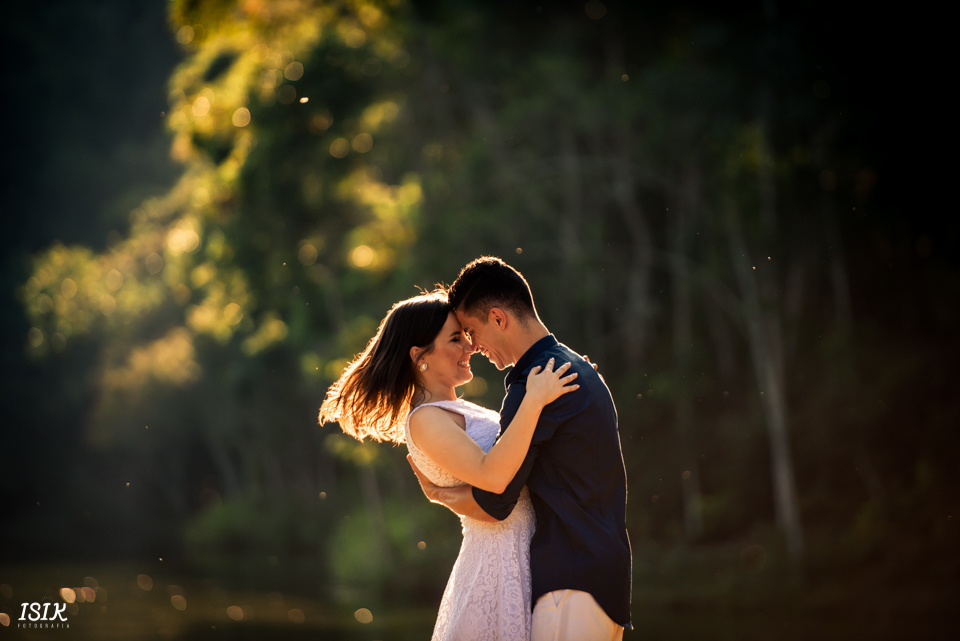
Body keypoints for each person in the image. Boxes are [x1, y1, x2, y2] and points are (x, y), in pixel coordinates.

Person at [318, 288, 580, 640]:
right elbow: (493, 476)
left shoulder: (460, 410)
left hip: (527, 554)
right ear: (419, 355)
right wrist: (535, 399)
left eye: (467, 337)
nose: (470, 347)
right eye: (456, 339)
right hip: (499, 564)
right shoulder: (426, 420)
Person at [408, 257, 632, 641]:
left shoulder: (535, 384)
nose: (473, 347)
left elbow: (497, 501)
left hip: (570, 583)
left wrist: (442, 494)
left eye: (472, 331)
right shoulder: (577, 367)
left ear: (498, 318)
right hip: (605, 579)